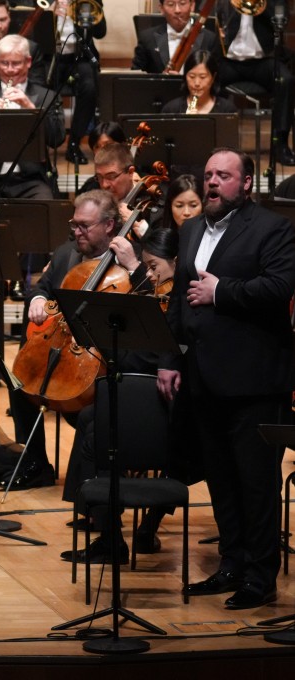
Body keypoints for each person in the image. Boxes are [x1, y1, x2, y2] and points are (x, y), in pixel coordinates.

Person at [158, 147, 295, 610]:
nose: (212, 182)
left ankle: (261, 577)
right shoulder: (193, 227)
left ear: (246, 184)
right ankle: (231, 563)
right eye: (208, 174)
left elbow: (279, 288)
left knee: (256, 483)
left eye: (223, 175)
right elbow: (179, 297)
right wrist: (169, 360)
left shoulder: (273, 229)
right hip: (203, 378)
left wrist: (223, 292)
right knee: (220, 479)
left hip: (254, 380)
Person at [10, 190, 150, 491]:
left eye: (84, 226)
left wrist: (132, 267)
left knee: (88, 407)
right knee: (19, 382)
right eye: (74, 224)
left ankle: (101, 468)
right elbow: (42, 288)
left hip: (105, 357)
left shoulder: (129, 259)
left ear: (110, 226)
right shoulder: (65, 254)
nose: (76, 231)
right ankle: (36, 463)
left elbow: (152, 303)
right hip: (64, 341)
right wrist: (37, 299)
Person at [59, 227, 176, 565]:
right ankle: (104, 526)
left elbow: (161, 352)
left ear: (176, 262)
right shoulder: (153, 294)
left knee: (99, 430)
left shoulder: (176, 298)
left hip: (165, 399)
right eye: (148, 268)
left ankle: (125, 528)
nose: (150, 275)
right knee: (88, 417)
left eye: (155, 267)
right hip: (137, 391)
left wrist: (137, 268)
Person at [0, 34, 64, 200]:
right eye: (4, 63)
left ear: (28, 62)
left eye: (16, 63)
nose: (9, 69)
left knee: (45, 204)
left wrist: (32, 109)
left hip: (31, 178)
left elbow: (57, 138)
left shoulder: (47, 96)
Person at [215, 0, 295, 164]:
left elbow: (282, 20)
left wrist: (261, 6)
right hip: (228, 60)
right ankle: (216, 141)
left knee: (286, 81)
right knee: (208, 79)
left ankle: (280, 144)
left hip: (262, 61)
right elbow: (210, 20)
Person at [46, 0, 105, 165]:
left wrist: (83, 15)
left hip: (80, 57)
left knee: (90, 88)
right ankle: (46, 140)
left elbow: (101, 32)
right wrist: (50, 13)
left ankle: (74, 143)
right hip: (52, 57)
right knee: (39, 86)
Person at [132, 0, 223, 75]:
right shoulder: (147, 37)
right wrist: (162, 80)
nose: (177, 10)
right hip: (161, 95)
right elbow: (136, 77)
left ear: (192, 5)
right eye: (171, 4)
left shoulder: (210, 39)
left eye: (182, 3)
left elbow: (216, 76)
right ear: (161, 8)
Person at [161, 50, 238, 115]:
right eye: (192, 76)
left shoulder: (227, 110)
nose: (197, 83)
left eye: (202, 77)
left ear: (213, 77)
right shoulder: (171, 109)